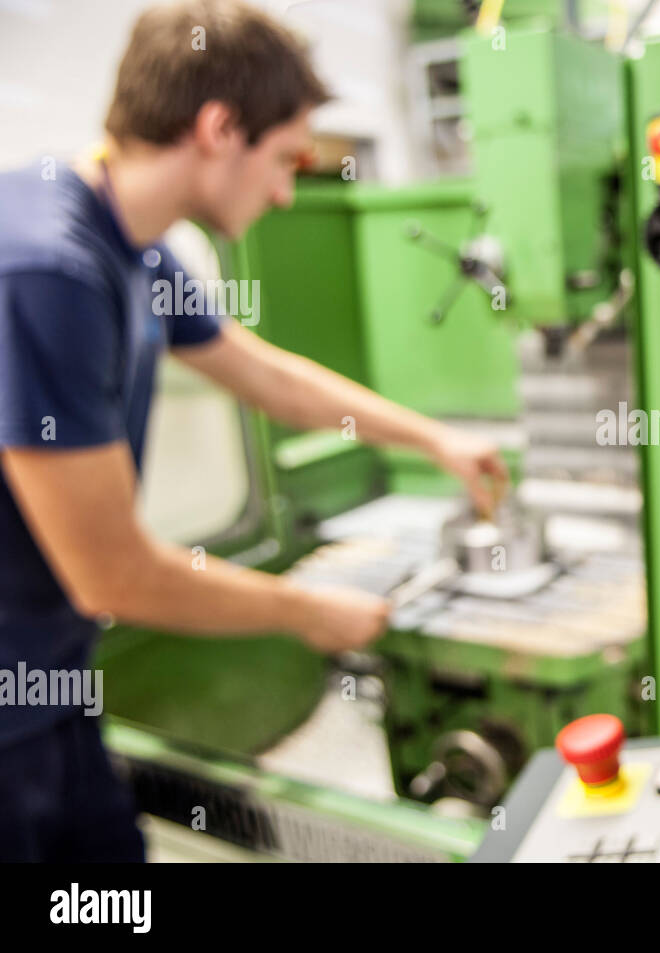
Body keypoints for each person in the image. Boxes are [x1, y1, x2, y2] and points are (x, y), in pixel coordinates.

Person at [0, 0, 508, 861]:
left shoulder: (136, 250)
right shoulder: (45, 265)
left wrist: (435, 440)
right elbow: (111, 576)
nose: (285, 190)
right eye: (282, 161)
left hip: (51, 687)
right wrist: (308, 611)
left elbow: (262, 374)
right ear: (218, 127)